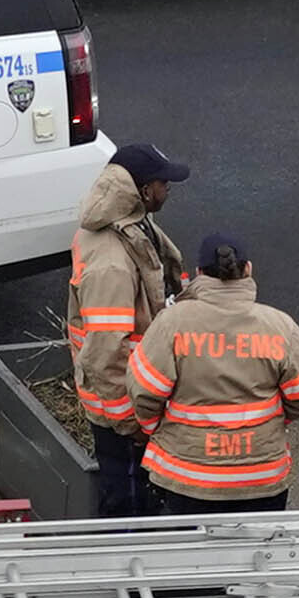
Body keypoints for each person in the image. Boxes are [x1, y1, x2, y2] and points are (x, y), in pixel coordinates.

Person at [126, 236, 299, 512]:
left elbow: (143, 391)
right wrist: (271, 423)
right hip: (261, 478)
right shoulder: (279, 325)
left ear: (198, 274)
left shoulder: (172, 324)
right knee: (257, 554)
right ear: (248, 270)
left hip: (186, 478)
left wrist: (155, 429)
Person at [66, 138, 198, 515]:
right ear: (142, 190)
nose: (168, 187)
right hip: (120, 409)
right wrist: (131, 421)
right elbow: (106, 350)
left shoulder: (131, 225)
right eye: (162, 182)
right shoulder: (112, 264)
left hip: (133, 395)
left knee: (139, 496)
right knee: (126, 506)